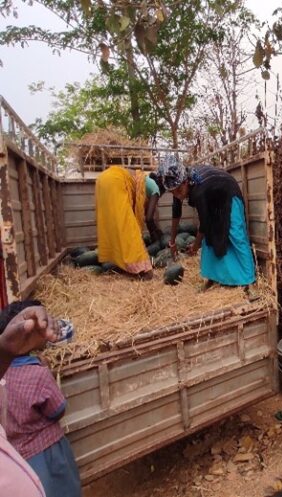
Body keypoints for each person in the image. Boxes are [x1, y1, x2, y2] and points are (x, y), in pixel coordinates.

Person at [0, 300, 81, 497]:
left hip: (20, 453)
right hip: (49, 454)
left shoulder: (5, 372)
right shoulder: (37, 374)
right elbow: (57, 409)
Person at [157, 155, 256, 287]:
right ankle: (215, 276)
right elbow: (176, 213)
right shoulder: (177, 185)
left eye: (179, 191)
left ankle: (249, 279)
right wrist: (172, 242)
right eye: (173, 193)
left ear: (186, 182)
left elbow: (204, 223)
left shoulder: (199, 190)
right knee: (210, 237)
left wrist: (196, 246)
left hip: (229, 195)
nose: (177, 195)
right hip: (213, 200)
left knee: (236, 235)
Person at [95, 166, 164, 278]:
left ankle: (122, 264)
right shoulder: (156, 189)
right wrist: (155, 238)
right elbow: (149, 218)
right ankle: (144, 270)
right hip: (115, 181)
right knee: (128, 227)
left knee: (115, 225)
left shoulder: (144, 180)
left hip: (102, 180)